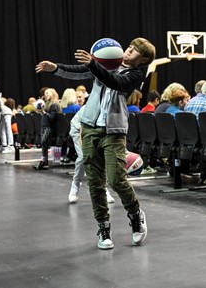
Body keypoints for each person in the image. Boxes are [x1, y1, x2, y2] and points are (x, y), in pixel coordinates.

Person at [35, 37, 155, 250]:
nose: (128, 52)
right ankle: (104, 229)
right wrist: (55, 68)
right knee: (95, 182)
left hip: (114, 131)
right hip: (89, 128)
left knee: (117, 179)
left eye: (135, 51)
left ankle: (136, 214)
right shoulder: (105, 63)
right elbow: (78, 71)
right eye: (129, 47)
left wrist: (93, 64)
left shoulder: (136, 75)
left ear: (143, 59)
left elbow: (115, 82)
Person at [67, 106, 115, 204]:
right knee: (83, 157)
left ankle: (103, 189)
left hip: (97, 131)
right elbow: (82, 130)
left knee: (102, 158)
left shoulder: (114, 110)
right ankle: (75, 185)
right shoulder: (90, 108)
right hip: (78, 129)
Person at [33, 88, 62, 170]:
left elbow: (52, 118)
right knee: (43, 144)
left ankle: (45, 159)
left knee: (44, 142)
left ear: (52, 94)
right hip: (45, 126)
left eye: (47, 93)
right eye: (45, 93)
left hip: (49, 127)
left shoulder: (54, 105)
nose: (46, 95)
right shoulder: (47, 104)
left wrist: (44, 112)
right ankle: (44, 159)